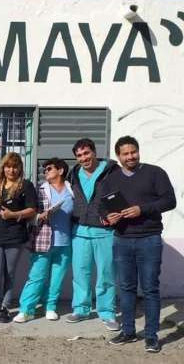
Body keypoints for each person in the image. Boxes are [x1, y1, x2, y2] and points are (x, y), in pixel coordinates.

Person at [105, 136, 176, 353]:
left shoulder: (155, 173)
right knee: (126, 288)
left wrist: (141, 209)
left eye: (133, 152)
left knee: (150, 289)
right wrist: (108, 217)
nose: (130, 157)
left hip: (149, 239)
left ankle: (151, 336)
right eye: (125, 154)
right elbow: (102, 205)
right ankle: (128, 331)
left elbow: (169, 201)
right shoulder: (112, 178)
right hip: (122, 239)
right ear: (118, 156)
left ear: (138, 151)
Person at [67, 138, 120, 331]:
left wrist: (115, 216)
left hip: (104, 232)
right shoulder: (73, 174)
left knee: (106, 274)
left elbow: (120, 196)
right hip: (80, 231)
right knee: (80, 273)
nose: (83, 158)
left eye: (86, 153)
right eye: (79, 155)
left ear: (94, 152)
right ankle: (81, 308)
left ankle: (107, 312)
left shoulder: (111, 171)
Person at [13, 158, 73, 323]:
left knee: (56, 278)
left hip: (65, 242)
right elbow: (29, 216)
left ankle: (50, 307)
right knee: (36, 277)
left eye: (49, 169)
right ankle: (26, 310)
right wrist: (40, 216)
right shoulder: (40, 191)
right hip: (42, 240)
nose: (45, 172)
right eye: (44, 170)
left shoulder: (72, 190)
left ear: (60, 171)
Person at [0, 152, 37, 323]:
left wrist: (13, 214)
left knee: (9, 274)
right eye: (8, 166)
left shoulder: (26, 186)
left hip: (15, 237)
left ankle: (5, 307)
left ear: (20, 168)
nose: (11, 170)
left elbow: (32, 210)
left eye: (15, 166)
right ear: (3, 167)